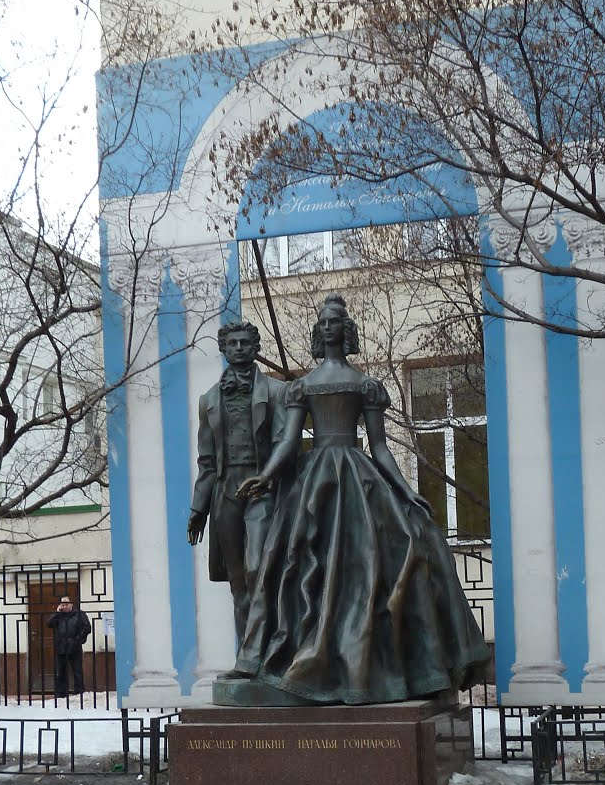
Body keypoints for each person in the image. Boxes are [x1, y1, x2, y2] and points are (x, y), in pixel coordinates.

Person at [236, 292, 491, 705]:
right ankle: (302, 657)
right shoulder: (301, 387)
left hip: (357, 476)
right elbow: (287, 443)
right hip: (314, 480)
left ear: (346, 329)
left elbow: (380, 448)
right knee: (299, 563)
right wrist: (265, 476)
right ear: (318, 331)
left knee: (390, 553)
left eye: (335, 320)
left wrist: (408, 492)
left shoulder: (364, 385)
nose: (328, 325)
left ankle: (379, 666)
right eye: (323, 321)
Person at [187, 321, 286, 662]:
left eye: (246, 342)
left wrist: (269, 478)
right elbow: (206, 461)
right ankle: (249, 658)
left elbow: (282, 445)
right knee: (237, 583)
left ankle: (272, 650)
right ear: (223, 349)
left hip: (262, 489)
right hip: (226, 492)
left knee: (258, 568)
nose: (240, 348)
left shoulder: (275, 392)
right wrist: (199, 509)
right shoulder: (209, 400)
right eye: (233, 343)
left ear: (255, 347)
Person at [47, 595, 91, 698]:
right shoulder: (59, 615)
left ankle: (79, 693)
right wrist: (57, 613)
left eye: (66, 604)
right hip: (61, 647)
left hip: (74, 647)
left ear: (71, 604)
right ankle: (61, 694)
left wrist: (78, 639)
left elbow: (87, 627)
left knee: (77, 671)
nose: (65, 606)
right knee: (60, 671)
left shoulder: (79, 614)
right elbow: (49, 623)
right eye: (62, 604)